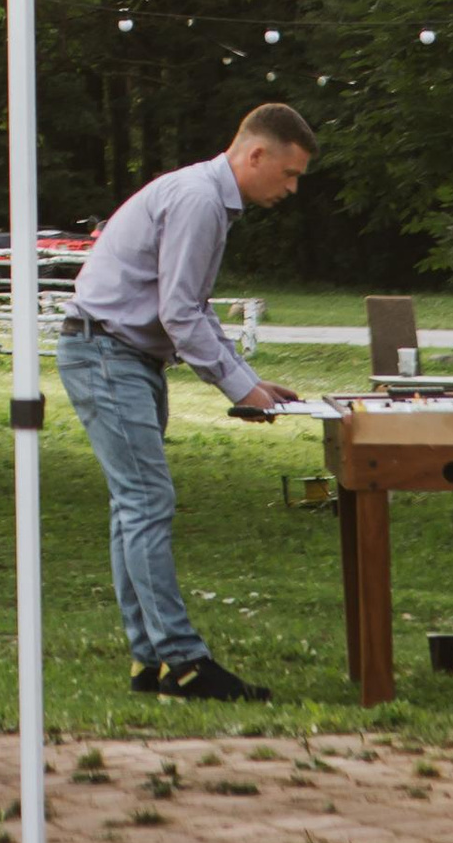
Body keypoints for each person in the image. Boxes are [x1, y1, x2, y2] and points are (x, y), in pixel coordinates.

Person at [56, 105, 315, 705]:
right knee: (147, 501)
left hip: (122, 356)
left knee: (133, 509)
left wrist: (250, 380)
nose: (292, 189)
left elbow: (191, 309)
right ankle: (184, 662)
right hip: (107, 355)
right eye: (289, 173)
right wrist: (237, 388)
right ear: (256, 155)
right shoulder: (200, 200)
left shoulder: (203, 195)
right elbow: (178, 312)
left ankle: (150, 664)